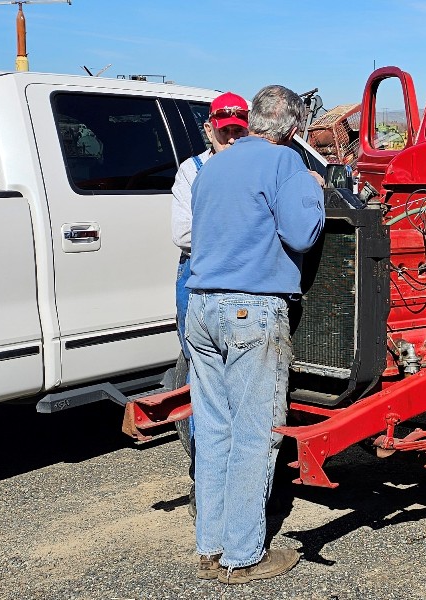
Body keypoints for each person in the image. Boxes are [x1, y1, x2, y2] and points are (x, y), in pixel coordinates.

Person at [185, 85, 325, 584]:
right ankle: (244, 555)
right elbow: (302, 235)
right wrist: (313, 187)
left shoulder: (212, 165)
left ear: (250, 121)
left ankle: (211, 546)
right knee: (254, 434)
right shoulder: (285, 163)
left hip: (200, 311)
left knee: (215, 428)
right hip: (250, 312)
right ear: (291, 128)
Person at [171, 92, 249, 518]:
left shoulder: (258, 168)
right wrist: (243, 231)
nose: (232, 138)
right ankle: (206, 482)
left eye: (239, 130)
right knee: (205, 384)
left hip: (244, 283)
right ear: (210, 129)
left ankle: (245, 482)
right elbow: (183, 233)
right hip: (201, 280)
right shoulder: (192, 171)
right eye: (225, 131)